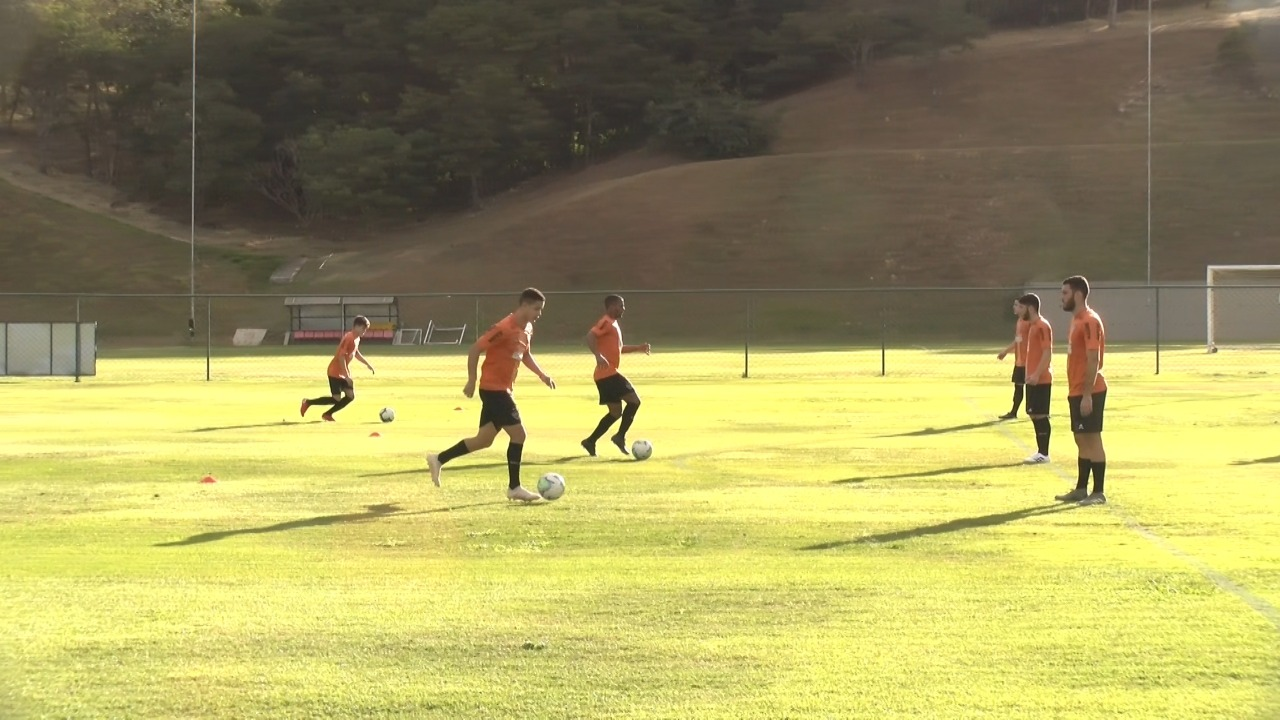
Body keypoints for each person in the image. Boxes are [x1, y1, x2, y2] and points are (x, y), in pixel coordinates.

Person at [426, 288, 555, 502]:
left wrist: (542, 374)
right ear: (523, 305)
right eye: (536, 309)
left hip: (503, 389)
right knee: (519, 435)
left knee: (483, 440)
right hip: (494, 390)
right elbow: (475, 349)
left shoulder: (528, 328)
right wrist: (471, 380)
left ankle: (438, 459)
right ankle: (514, 487)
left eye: (541, 310)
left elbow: (525, 355)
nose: (539, 314)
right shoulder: (505, 327)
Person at [1054, 276, 1108, 505]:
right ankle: (1081, 488)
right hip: (1076, 389)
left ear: (1077, 294)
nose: (1062, 298)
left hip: (1090, 390)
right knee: (1080, 438)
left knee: (1092, 439)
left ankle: (1098, 492)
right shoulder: (1076, 320)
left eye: (1065, 293)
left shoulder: (1089, 321)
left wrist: (1087, 395)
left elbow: (1093, 359)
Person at [581, 294, 651, 456]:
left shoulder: (614, 324)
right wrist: (598, 355)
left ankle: (590, 441)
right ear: (612, 306)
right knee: (634, 401)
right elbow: (590, 336)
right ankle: (620, 437)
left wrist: (638, 348)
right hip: (608, 374)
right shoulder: (606, 321)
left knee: (615, 413)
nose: (623, 308)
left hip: (605, 376)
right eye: (621, 305)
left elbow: (618, 349)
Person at [301, 316, 375, 422]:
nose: (365, 331)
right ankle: (308, 402)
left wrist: (367, 364)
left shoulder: (356, 338)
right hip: (335, 372)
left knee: (350, 396)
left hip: (343, 372)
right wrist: (346, 376)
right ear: (357, 326)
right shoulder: (349, 338)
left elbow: (355, 352)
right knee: (336, 399)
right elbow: (341, 357)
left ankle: (327, 414)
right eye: (364, 328)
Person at [1018, 294, 1053, 465]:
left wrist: (1038, 374)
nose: (1020, 311)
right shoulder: (1032, 326)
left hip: (1041, 378)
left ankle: (1044, 453)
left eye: (1022, 307)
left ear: (1030, 308)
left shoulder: (1042, 326)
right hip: (1032, 377)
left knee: (1040, 414)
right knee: (1033, 414)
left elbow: (1047, 352)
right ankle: (1040, 451)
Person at [997, 298, 1031, 419]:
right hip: (1020, 362)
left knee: (1032, 388)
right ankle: (1014, 412)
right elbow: (1018, 341)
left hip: (1029, 362)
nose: (1014, 307)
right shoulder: (1020, 321)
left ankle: (1037, 411)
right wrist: (1006, 351)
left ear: (1024, 307)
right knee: (1018, 386)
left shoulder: (1030, 322)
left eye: (1017, 305)